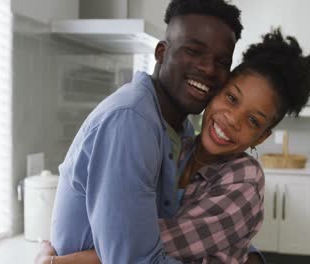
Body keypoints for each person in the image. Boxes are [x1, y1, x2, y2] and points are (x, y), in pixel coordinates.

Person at [36, 29, 310, 263]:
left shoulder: (244, 179)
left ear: (261, 138)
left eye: (253, 121)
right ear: (217, 90)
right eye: (232, 99)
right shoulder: (178, 141)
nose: (232, 120)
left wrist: (54, 262)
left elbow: (137, 243)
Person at [48, 0, 247, 263]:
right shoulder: (131, 121)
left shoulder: (180, 129)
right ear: (161, 52)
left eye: (222, 61)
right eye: (194, 51)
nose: (209, 69)